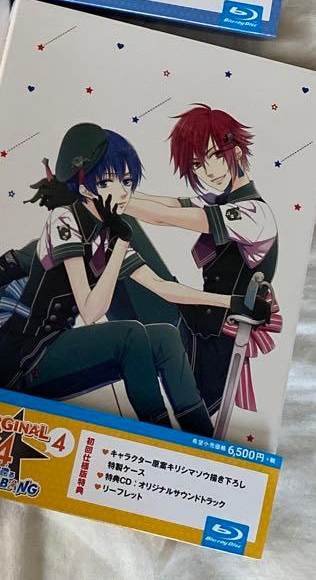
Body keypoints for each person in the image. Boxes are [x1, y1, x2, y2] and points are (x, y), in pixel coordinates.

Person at [0, 125, 256, 436]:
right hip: (25, 356)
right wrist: (120, 244)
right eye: (108, 182)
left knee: (165, 336)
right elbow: (91, 310)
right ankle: (160, 435)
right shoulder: (64, 220)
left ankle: (200, 436)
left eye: (127, 181)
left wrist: (232, 303)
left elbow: (162, 287)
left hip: (55, 347)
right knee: (131, 335)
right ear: (84, 187)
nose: (121, 192)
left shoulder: (109, 233)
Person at [126, 105, 278, 416]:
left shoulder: (253, 214)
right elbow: (171, 204)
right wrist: (112, 193)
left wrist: (108, 199)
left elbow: (165, 217)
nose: (209, 171)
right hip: (198, 328)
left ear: (236, 149)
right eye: (197, 163)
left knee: (122, 232)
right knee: (118, 231)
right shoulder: (224, 202)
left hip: (210, 352)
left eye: (216, 155)